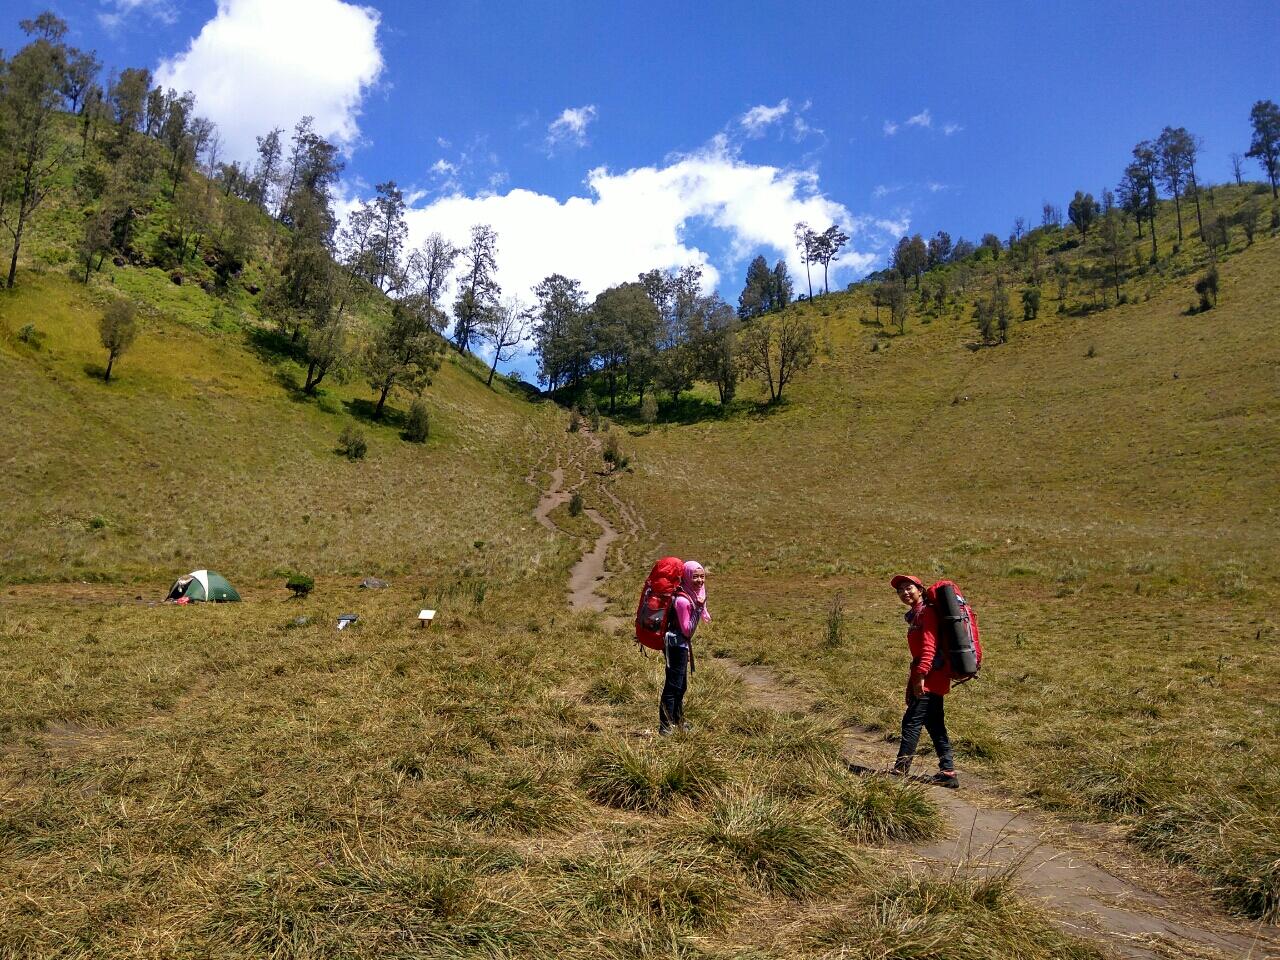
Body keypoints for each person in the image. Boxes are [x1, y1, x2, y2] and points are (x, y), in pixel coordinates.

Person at [890, 574, 958, 787]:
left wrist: (919, 678)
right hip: (932, 676)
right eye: (900, 590)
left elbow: (929, 649)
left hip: (929, 677)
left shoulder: (927, 613)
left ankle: (900, 771)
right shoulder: (917, 614)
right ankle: (948, 772)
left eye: (909, 588)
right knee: (935, 724)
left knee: (911, 722)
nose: (905, 593)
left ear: (920, 589)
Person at [660, 560, 710, 735]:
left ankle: (678, 722)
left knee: (680, 687)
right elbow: (687, 630)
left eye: (702, 576)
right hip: (675, 646)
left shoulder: (689, 595)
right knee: (673, 687)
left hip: (681, 646)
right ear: (687, 577)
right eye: (695, 576)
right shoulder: (683, 601)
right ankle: (665, 726)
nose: (699, 580)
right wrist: (698, 607)